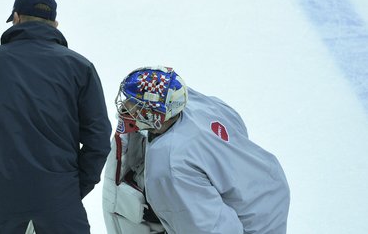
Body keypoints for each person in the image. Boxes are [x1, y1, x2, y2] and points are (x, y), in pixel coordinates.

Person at [0, 0, 112, 233]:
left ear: (16, 18)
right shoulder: (81, 68)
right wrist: (72, 188)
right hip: (60, 196)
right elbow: (98, 141)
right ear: (55, 24)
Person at [104, 66, 290, 233]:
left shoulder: (169, 165)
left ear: (154, 115)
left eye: (134, 104)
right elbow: (236, 126)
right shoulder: (192, 102)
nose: (125, 107)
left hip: (256, 223)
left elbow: (211, 229)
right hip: (269, 186)